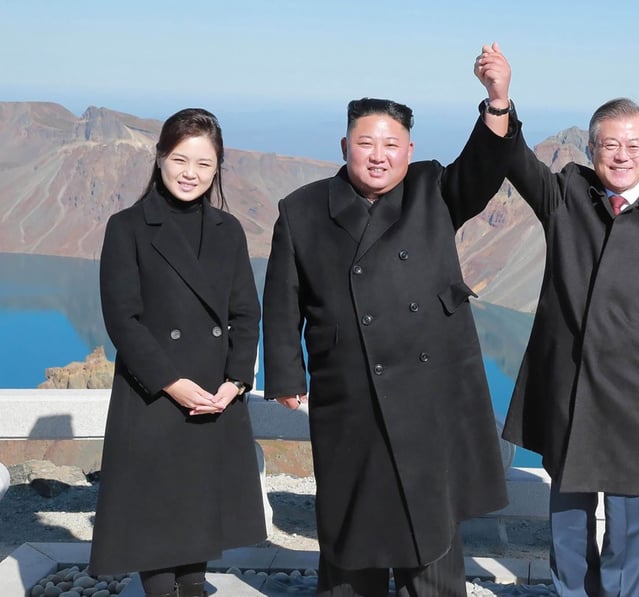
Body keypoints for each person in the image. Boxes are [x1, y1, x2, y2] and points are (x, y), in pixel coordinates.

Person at [261, 44, 516, 597]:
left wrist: (497, 100)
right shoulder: (301, 209)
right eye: (366, 143)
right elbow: (283, 297)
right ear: (344, 146)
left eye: (391, 145)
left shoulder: (433, 189)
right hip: (349, 388)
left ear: (409, 151)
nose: (379, 156)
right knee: (356, 518)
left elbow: (484, 167)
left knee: (432, 523)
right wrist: (285, 372)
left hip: (433, 391)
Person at [500, 95, 639, 596]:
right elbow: (516, 160)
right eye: (610, 144)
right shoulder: (566, 196)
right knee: (569, 515)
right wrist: (500, 102)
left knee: (631, 519)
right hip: (568, 388)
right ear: (591, 148)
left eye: (633, 144)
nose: (621, 154)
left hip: (637, 395)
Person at [89, 108, 265, 597]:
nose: (191, 173)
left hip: (214, 394)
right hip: (154, 394)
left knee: (197, 517)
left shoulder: (229, 231)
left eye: (204, 164)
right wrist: (172, 382)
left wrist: (235, 381)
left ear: (218, 168)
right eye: (180, 159)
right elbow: (122, 319)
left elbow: (245, 314)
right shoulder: (127, 227)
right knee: (157, 523)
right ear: (161, 157)